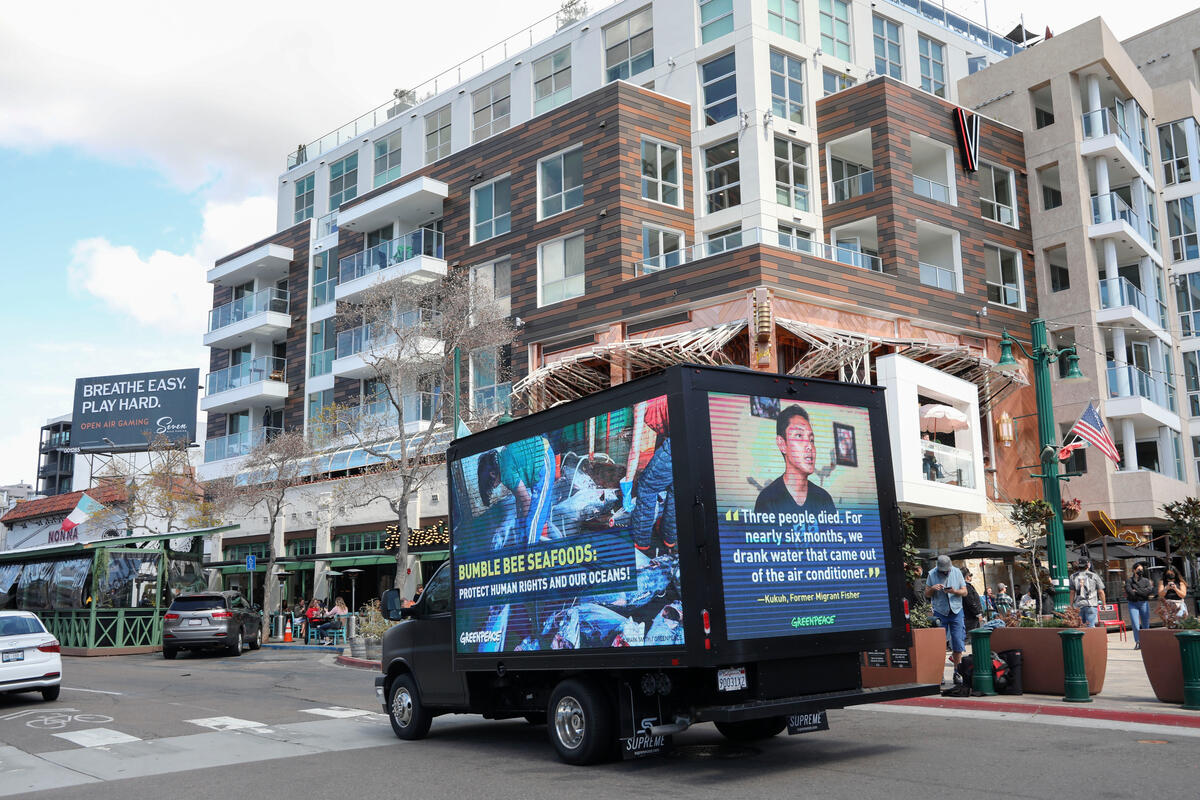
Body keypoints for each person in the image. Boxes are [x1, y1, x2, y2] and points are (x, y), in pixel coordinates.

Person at [754, 405, 837, 522]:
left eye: (811, 440)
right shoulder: (768, 500)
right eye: (799, 436)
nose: (809, 446)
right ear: (782, 444)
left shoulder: (823, 499)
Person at [623, 395, 675, 555]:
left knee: (646, 486)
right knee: (676, 490)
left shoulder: (640, 402)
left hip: (678, 439)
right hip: (693, 439)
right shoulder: (661, 398)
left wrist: (627, 483)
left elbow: (635, 448)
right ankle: (670, 539)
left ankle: (641, 544)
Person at [499, 434, 556, 546]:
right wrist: (520, 527)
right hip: (537, 457)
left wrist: (525, 530)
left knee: (536, 515)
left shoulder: (506, 473)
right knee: (539, 515)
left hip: (542, 455)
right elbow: (519, 499)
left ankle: (530, 553)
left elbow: (525, 501)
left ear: (491, 474)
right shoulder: (504, 458)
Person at [924, 555, 967, 668]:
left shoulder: (957, 572)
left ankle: (957, 672)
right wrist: (933, 589)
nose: (944, 573)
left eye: (946, 571)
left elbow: (965, 592)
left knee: (958, 642)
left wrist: (955, 591)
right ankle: (940, 673)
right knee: (939, 644)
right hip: (940, 612)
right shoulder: (932, 574)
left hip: (956, 611)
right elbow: (926, 594)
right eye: (942, 571)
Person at [1125, 561, 1155, 648]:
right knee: (1135, 623)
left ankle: (1146, 641)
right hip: (1133, 603)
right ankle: (1138, 641)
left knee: (1145, 623)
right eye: (1138, 569)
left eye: (1141, 569)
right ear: (1134, 570)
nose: (1140, 571)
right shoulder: (1129, 580)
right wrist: (1141, 591)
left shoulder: (1146, 580)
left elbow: (1149, 591)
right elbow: (1129, 591)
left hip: (1143, 603)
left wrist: (1137, 591)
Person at [1069, 558, 1106, 627]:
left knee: (1081, 627)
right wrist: (1104, 603)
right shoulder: (1094, 576)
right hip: (1091, 604)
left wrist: (1071, 605)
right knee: (1090, 626)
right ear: (1088, 565)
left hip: (1078, 605)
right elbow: (1101, 591)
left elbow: (1072, 592)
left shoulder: (1073, 576)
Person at [961, 567, 984, 632]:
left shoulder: (966, 586)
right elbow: (971, 602)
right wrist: (978, 614)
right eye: (970, 575)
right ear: (968, 577)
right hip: (971, 617)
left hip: (971, 616)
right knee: (971, 636)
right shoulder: (967, 587)